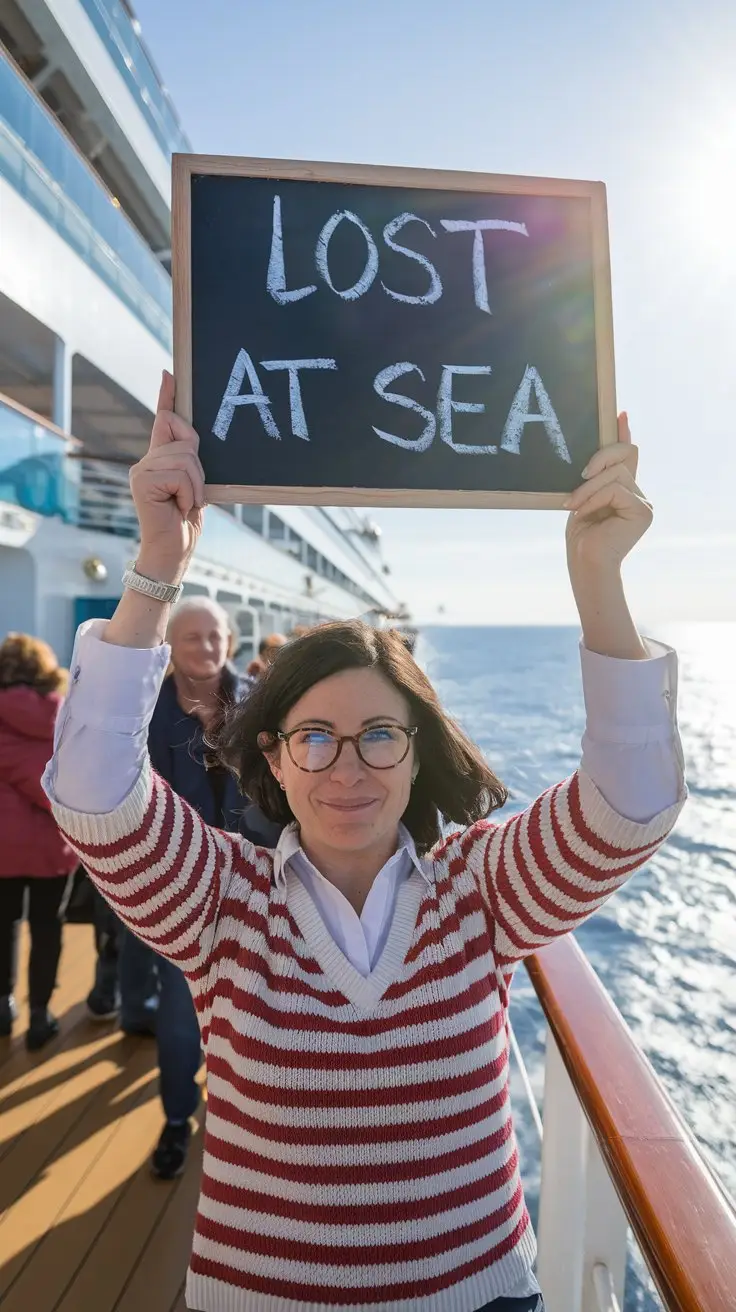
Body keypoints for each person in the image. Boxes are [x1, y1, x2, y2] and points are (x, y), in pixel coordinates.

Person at [42, 372, 685, 1312]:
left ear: (418, 754)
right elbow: (96, 795)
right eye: (316, 737)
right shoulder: (222, 899)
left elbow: (629, 805)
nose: (349, 769)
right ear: (277, 758)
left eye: (381, 735)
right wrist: (156, 567)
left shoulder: (482, 889)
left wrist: (598, 577)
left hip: (477, 1297)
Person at [92, 595, 282, 1178]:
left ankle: (254, 1128)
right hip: (181, 884)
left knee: (259, 1016)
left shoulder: (258, 706)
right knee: (180, 1016)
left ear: (231, 641)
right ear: (171, 645)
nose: (207, 646)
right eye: (193, 636)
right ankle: (178, 1121)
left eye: (216, 636)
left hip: (256, 881)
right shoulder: (146, 711)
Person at [0, 634, 78, 1049]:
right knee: (48, 927)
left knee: (3, 924)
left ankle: (1, 1004)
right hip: (52, 845)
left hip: (1, 848)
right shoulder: (63, 716)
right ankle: (40, 1014)